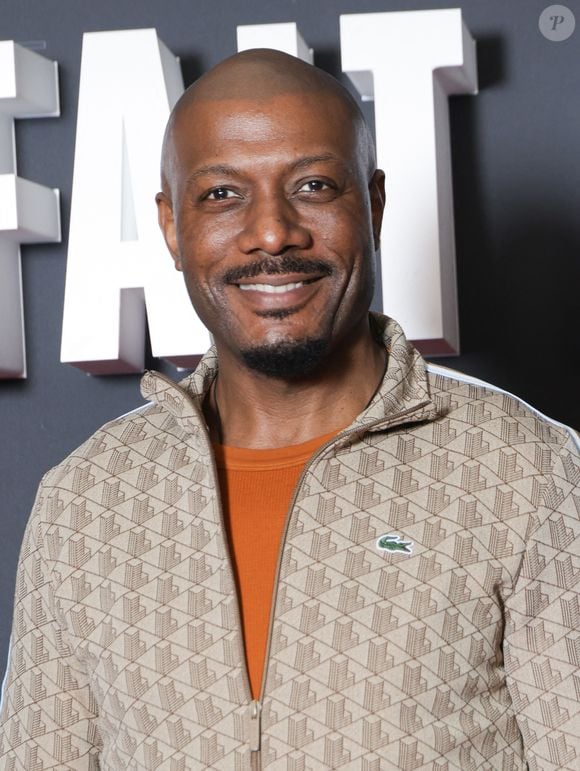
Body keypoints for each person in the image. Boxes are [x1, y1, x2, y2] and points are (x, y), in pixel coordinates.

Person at [0, 48, 578, 771]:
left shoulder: (526, 470)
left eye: (311, 185)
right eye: (221, 195)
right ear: (172, 226)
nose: (272, 232)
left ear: (372, 203)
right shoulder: (86, 502)